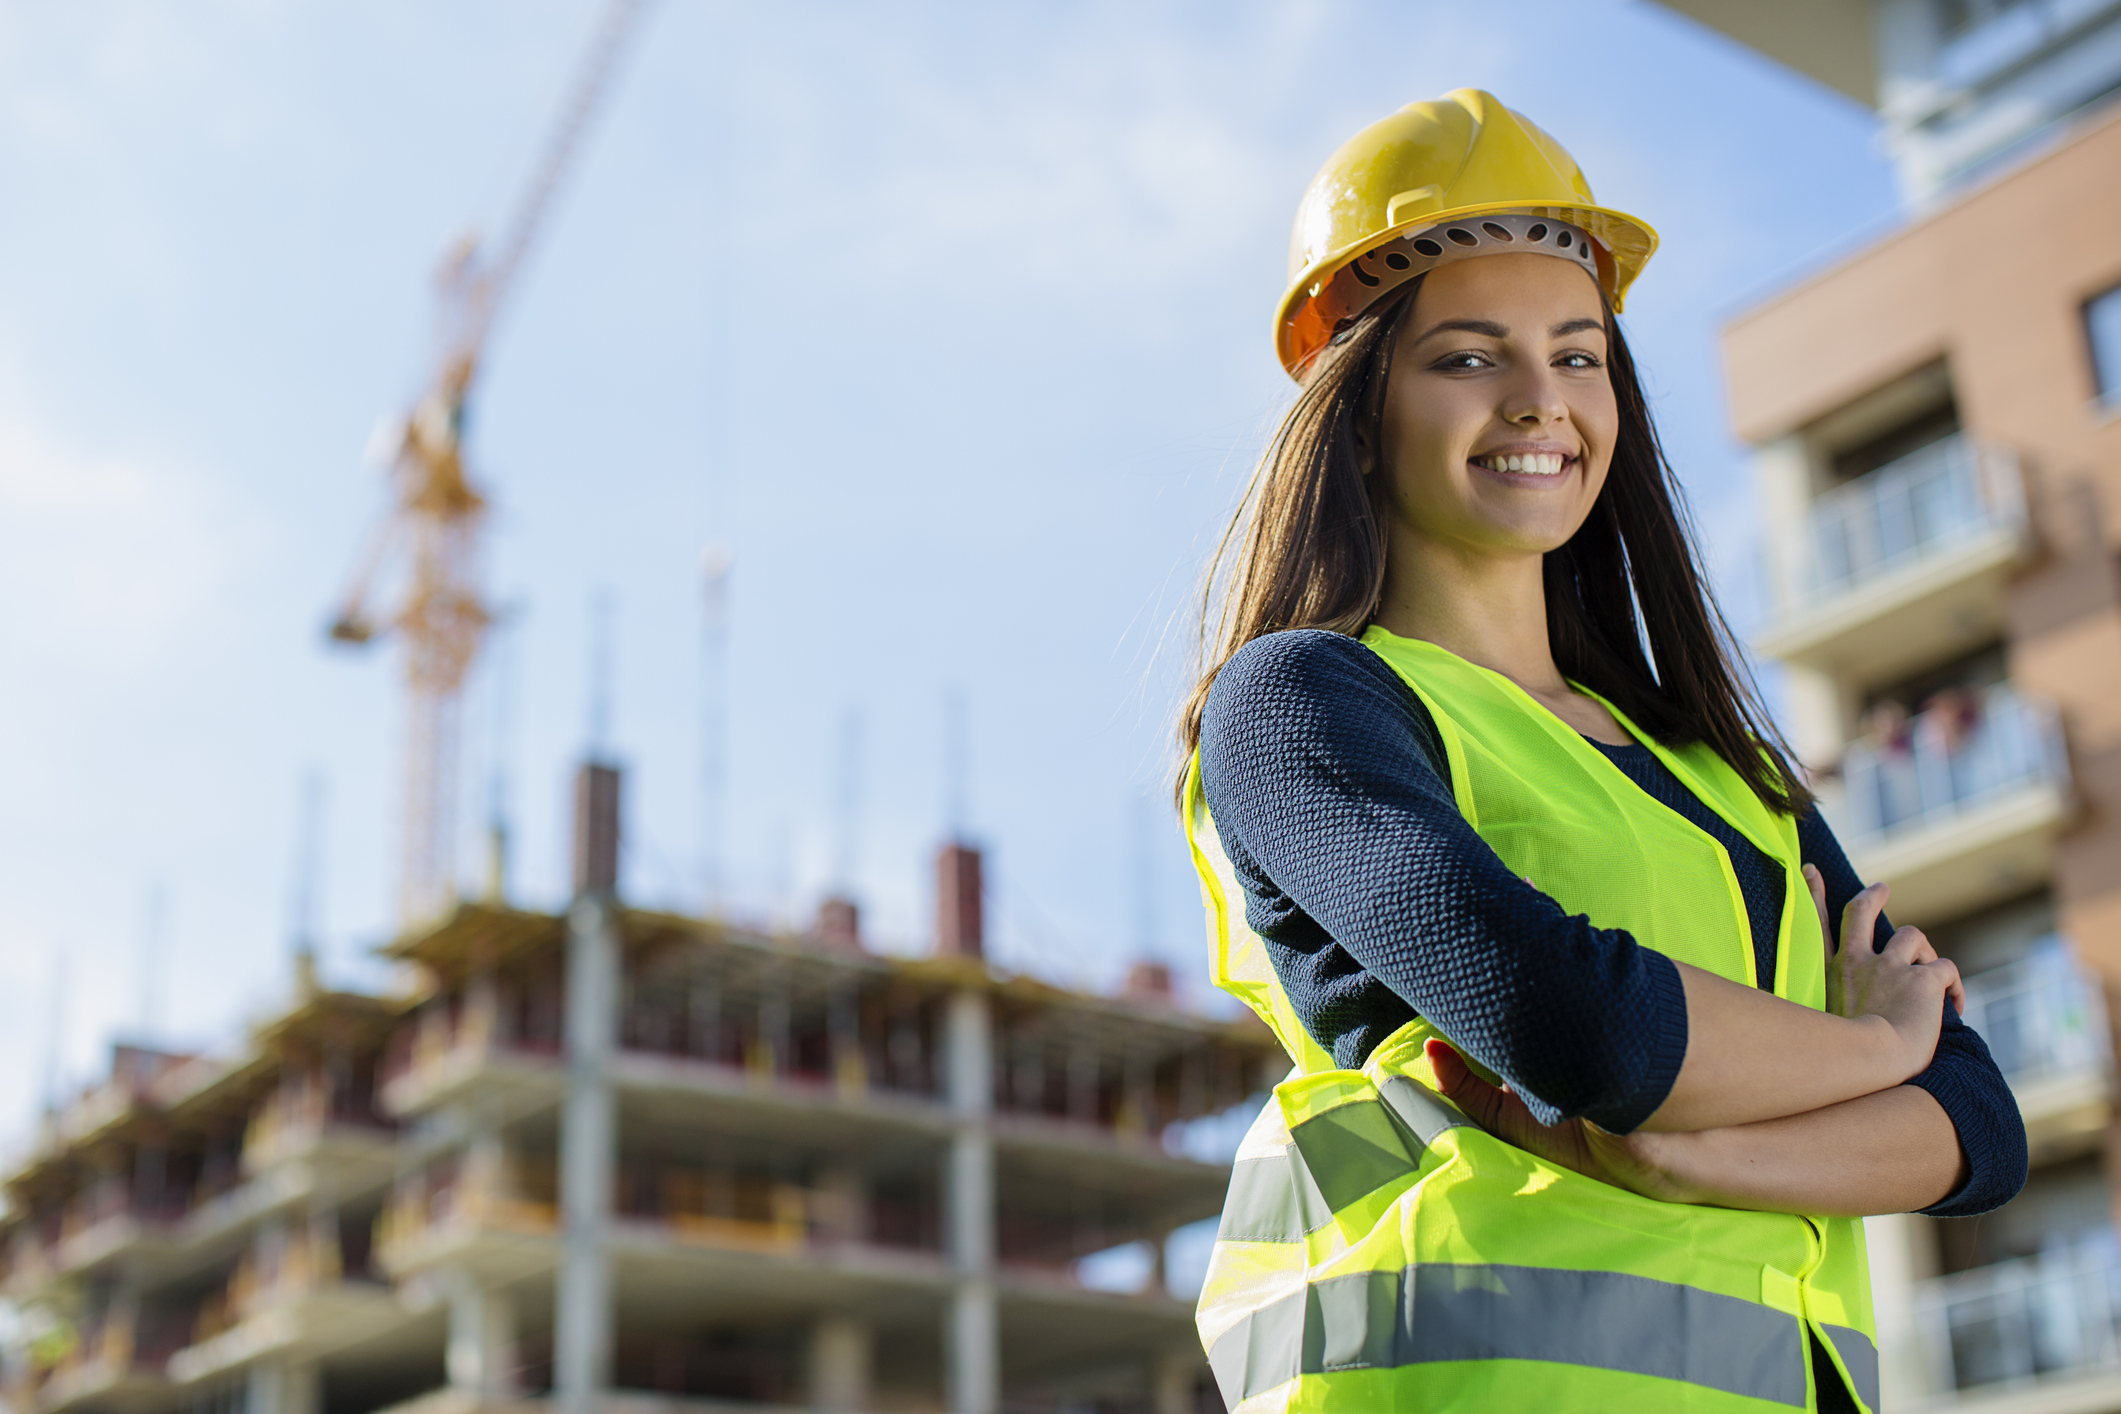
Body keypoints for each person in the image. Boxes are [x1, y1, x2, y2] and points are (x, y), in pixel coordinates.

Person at [1177, 91, 2025, 1414]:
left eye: (1578, 355)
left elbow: (1977, 1124)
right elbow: (1570, 1021)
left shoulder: (1727, 774)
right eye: (1468, 357)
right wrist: (1861, 1054)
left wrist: (1703, 1159)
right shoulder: (1301, 702)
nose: (1540, 400)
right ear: (1356, 403)